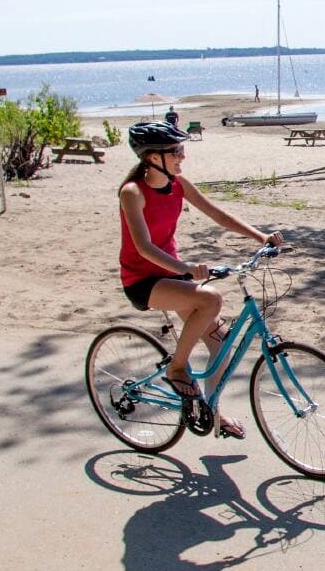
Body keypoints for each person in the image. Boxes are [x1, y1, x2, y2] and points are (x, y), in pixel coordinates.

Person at [118, 121, 283, 438]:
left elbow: (218, 215)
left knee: (219, 344)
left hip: (173, 276)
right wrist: (188, 267)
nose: (183, 156)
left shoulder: (178, 184)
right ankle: (176, 367)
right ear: (153, 157)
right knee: (211, 298)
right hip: (143, 281)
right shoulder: (132, 192)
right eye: (177, 151)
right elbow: (144, 248)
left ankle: (215, 415)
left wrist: (261, 236)